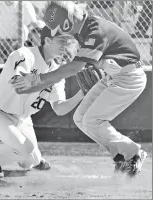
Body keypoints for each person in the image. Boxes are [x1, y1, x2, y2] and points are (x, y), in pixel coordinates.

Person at [11, 1, 148, 177]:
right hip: (113, 76)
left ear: (67, 22)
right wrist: (102, 63)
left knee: (92, 120)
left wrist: (37, 78)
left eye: (60, 27)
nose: (61, 32)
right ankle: (120, 156)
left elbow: (73, 68)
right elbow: (96, 59)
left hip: (129, 78)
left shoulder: (94, 30)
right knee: (80, 118)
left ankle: (133, 152)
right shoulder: (84, 28)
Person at [0, 32, 82, 178]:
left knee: (29, 162)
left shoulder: (57, 72)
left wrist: (82, 95)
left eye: (68, 41)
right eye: (62, 40)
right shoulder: (24, 54)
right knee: (25, 149)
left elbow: (59, 109)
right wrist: (47, 79)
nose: (66, 45)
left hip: (23, 118)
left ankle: (31, 158)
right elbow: (19, 84)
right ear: (47, 40)